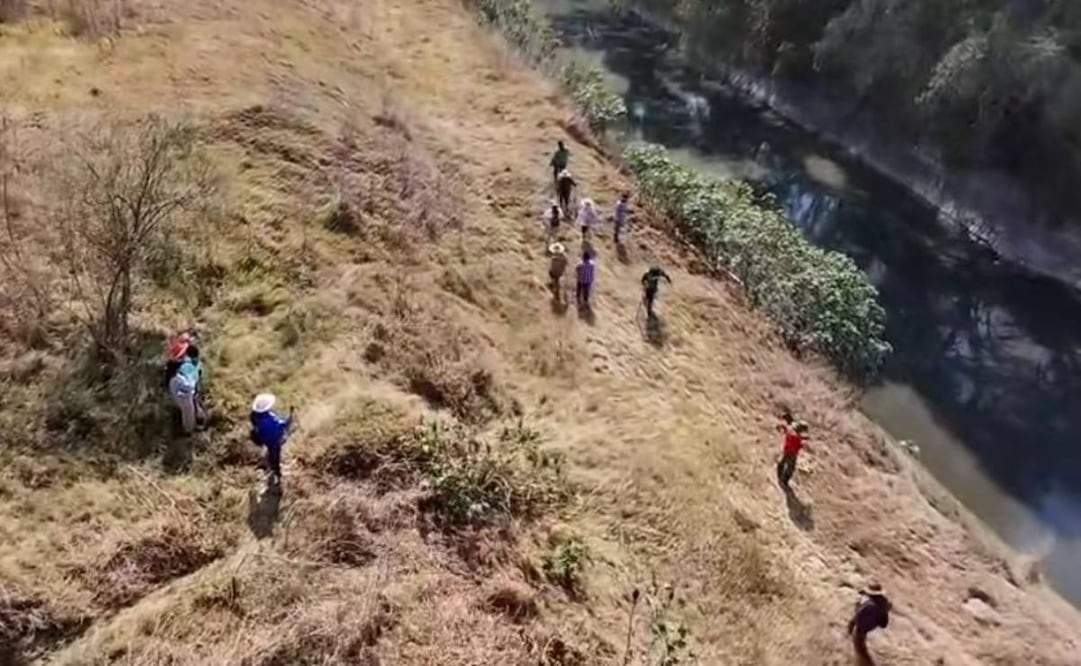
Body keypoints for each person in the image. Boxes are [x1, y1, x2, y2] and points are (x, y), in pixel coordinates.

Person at [164, 332, 206, 434]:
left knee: (191, 403)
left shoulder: (187, 359)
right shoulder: (186, 361)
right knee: (188, 406)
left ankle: (194, 424)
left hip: (181, 382)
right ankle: (189, 430)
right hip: (181, 382)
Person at [250, 393, 294, 485]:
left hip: (265, 440)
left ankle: (271, 467)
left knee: (270, 452)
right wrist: (291, 415)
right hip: (275, 441)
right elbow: (284, 425)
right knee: (275, 456)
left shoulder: (256, 417)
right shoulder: (271, 419)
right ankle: (276, 472)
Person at [847, 583, 891, 665]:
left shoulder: (868, 604)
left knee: (859, 645)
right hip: (869, 627)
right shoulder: (883, 603)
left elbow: (857, 615)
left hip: (861, 628)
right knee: (861, 643)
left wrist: (851, 625)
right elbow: (883, 624)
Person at [776, 412, 810, 489]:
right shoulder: (796, 435)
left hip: (788, 450)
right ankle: (784, 481)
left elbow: (786, 431)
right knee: (790, 467)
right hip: (792, 452)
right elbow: (799, 444)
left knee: (783, 463)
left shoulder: (791, 431)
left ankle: (781, 477)